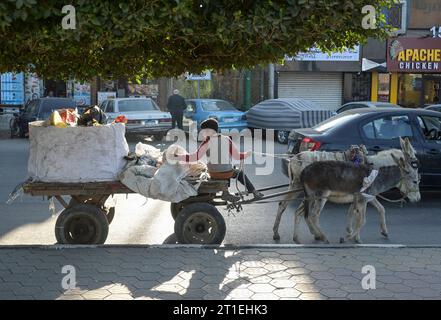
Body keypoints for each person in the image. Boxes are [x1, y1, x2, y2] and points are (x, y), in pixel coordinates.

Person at [175, 118, 263, 200]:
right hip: (227, 173)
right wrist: (247, 154)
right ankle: (254, 192)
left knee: (221, 168)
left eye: (204, 131)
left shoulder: (206, 143)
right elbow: (237, 156)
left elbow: (195, 157)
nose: (202, 133)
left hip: (213, 174)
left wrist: (179, 156)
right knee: (238, 172)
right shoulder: (226, 139)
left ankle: (226, 192)